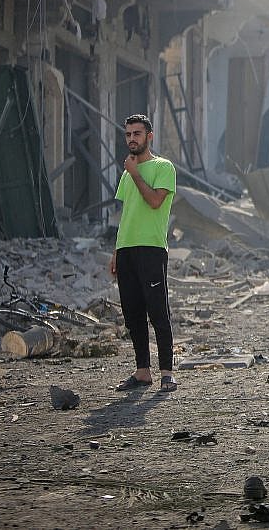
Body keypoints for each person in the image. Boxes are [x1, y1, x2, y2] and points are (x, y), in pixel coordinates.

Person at [110, 114, 179, 392]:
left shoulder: (163, 167)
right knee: (132, 312)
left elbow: (153, 202)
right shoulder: (127, 173)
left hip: (151, 248)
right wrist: (116, 251)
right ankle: (142, 371)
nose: (131, 139)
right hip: (127, 249)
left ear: (149, 136)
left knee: (158, 310)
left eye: (137, 134)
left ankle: (166, 372)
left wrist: (136, 172)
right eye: (128, 134)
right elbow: (127, 214)